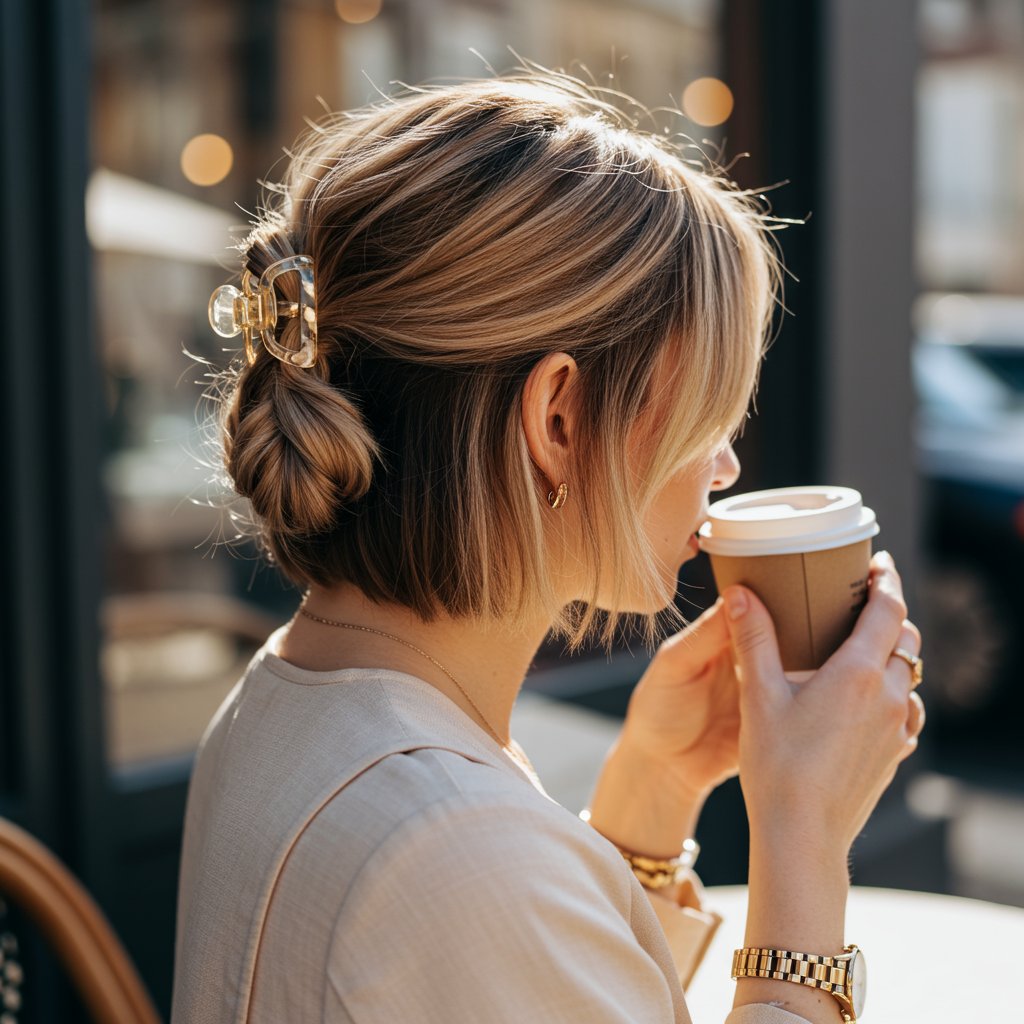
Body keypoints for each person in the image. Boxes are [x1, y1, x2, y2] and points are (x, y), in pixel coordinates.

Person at [172, 67, 924, 1024]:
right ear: (559, 419)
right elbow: (476, 900)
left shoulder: (285, 701)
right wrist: (807, 835)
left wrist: (653, 793)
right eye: (704, 417)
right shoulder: (454, 846)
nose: (725, 466)